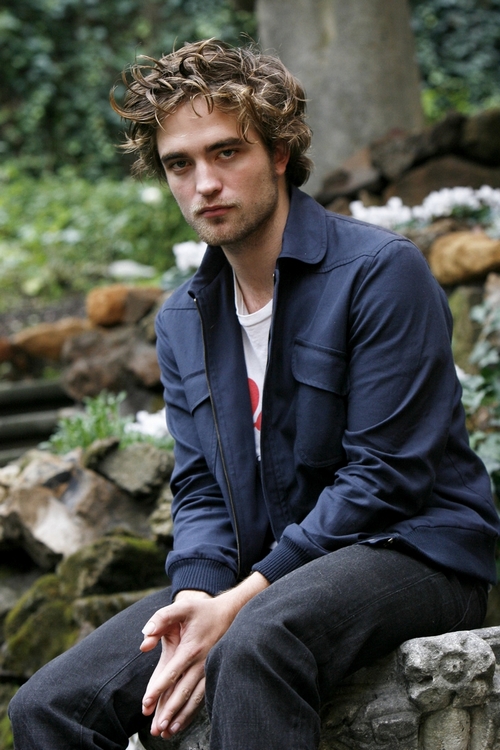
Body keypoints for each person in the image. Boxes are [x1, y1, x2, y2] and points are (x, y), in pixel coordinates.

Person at [9, 38, 500, 750]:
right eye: (180, 164)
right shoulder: (183, 318)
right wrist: (196, 596)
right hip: (270, 573)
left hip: (415, 552)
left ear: (278, 152)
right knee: (49, 706)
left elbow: (386, 478)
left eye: (226, 152)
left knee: (256, 642)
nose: (204, 183)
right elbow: (201, 488)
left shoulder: (379, 273)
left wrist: (242, 601)